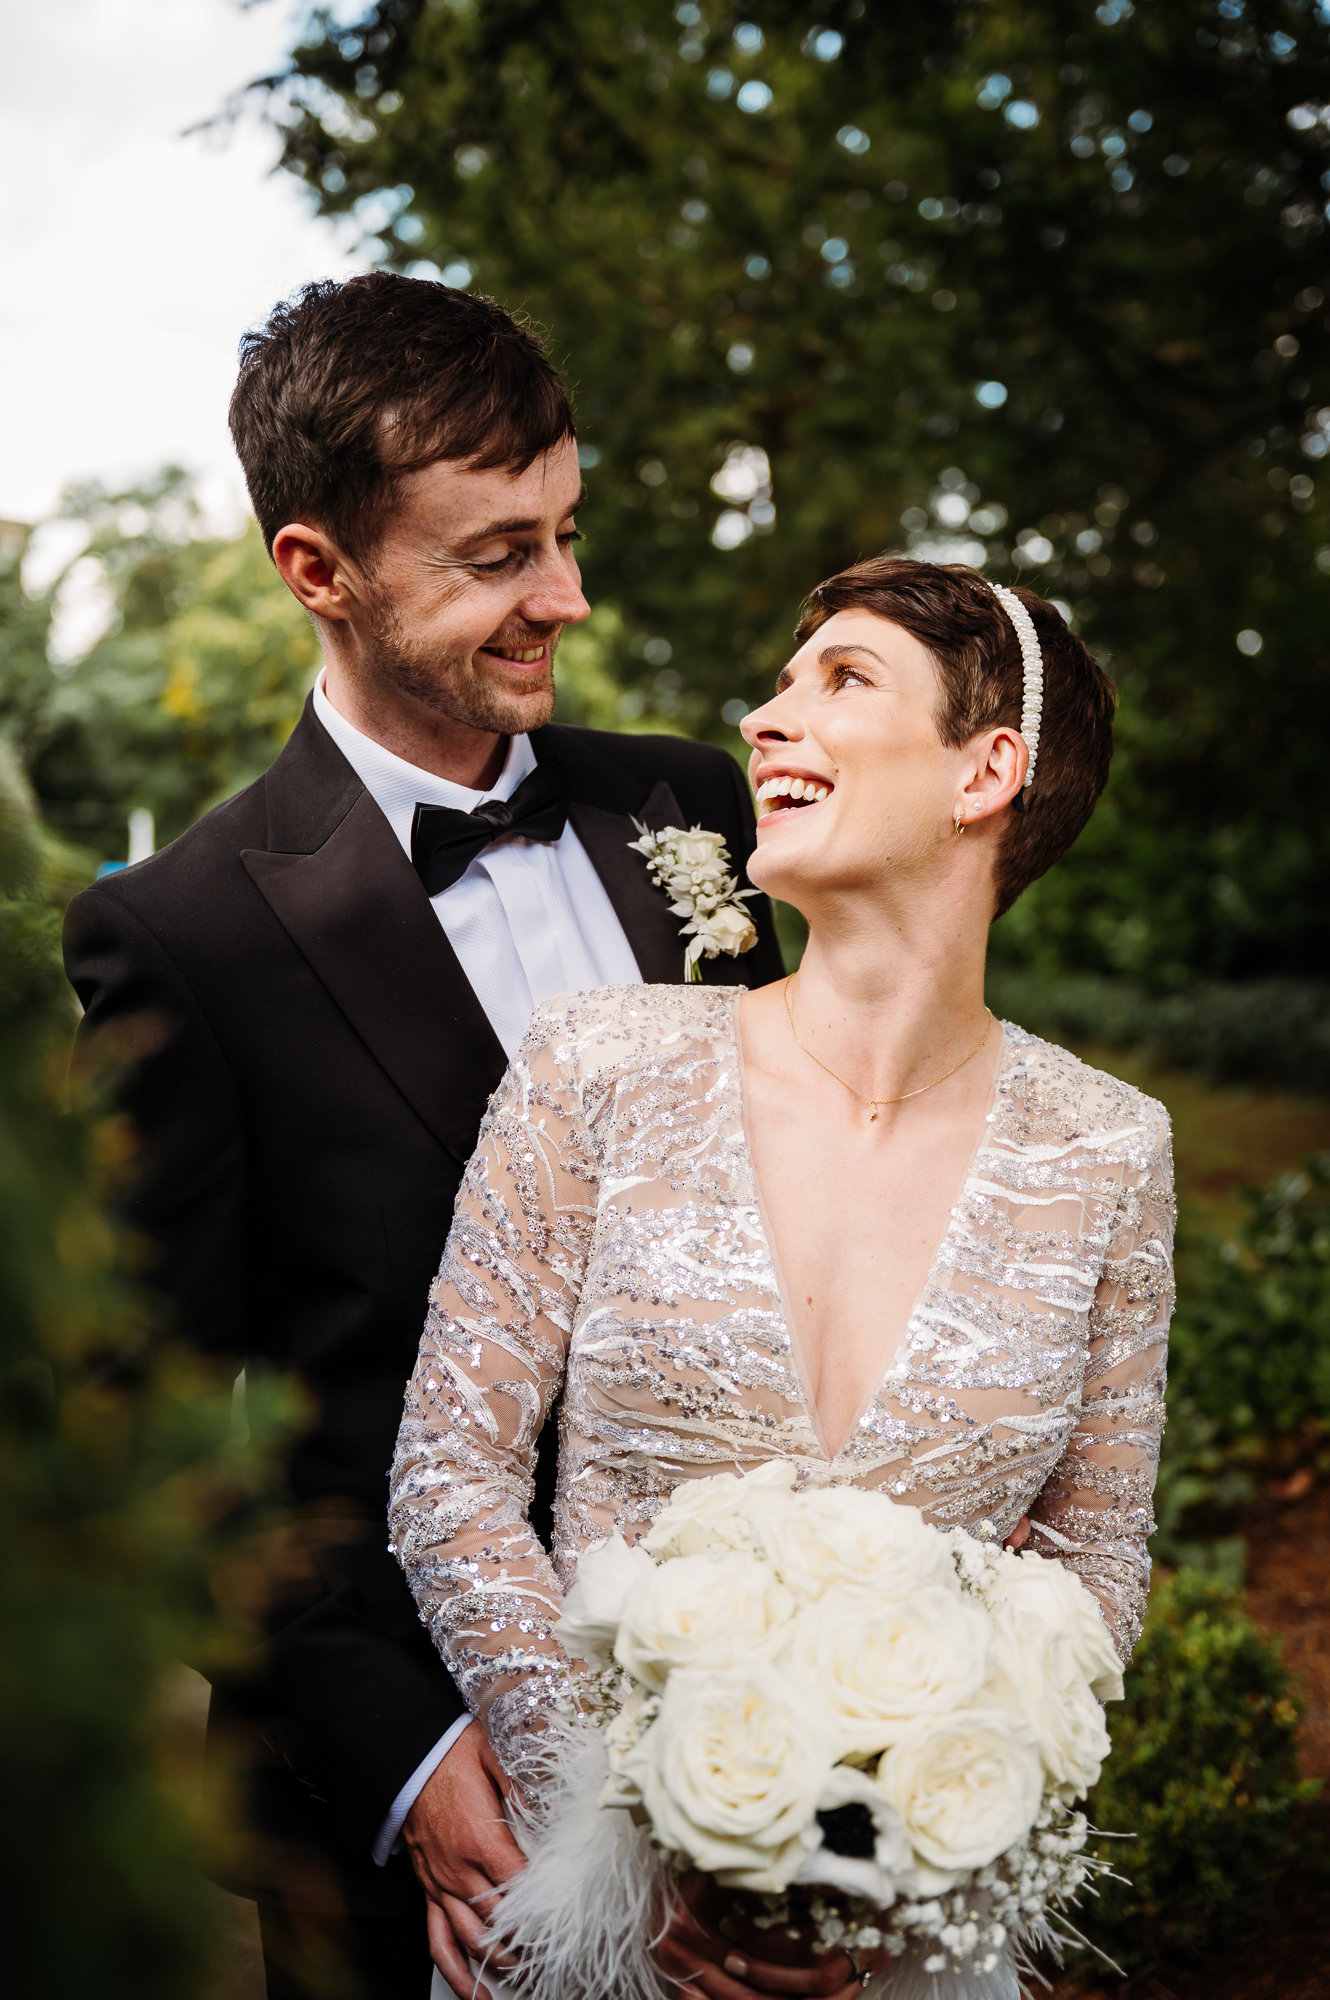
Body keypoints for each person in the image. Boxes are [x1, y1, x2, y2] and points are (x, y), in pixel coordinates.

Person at [61, 272, 785, 2000]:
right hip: (420, 1802)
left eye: (566, 530)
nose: (569, 597)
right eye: (496, 557)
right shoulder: (186, 935)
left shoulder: (698, 806)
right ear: (318, 569)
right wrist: (396, 1761)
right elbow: (155, 1446)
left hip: (763, 1711)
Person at [389, 556, 1175, 2000]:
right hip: (596, 1933)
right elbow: (449, 1473)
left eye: (842, 679)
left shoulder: (1110, 1151)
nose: (762, 717)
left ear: (986, 769)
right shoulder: (596, 1067)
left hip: (902, 1950)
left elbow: (1093, 1564)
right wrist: (654, 1834)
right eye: (781, 679)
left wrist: (865, 1862)